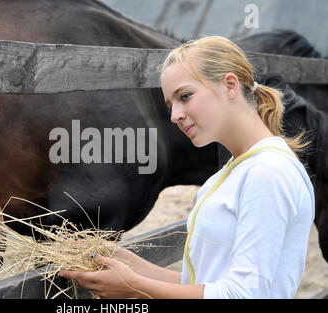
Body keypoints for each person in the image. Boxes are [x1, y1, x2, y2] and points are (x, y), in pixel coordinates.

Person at [59, 35, 315, 299]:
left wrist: (135, 286)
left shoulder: (267, 172)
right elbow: (205, 283)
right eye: (171, 105)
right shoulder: (240, 167)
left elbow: (244, 295)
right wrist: (131, 266)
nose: (174, 115)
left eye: (185, 96)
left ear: (229, 85)